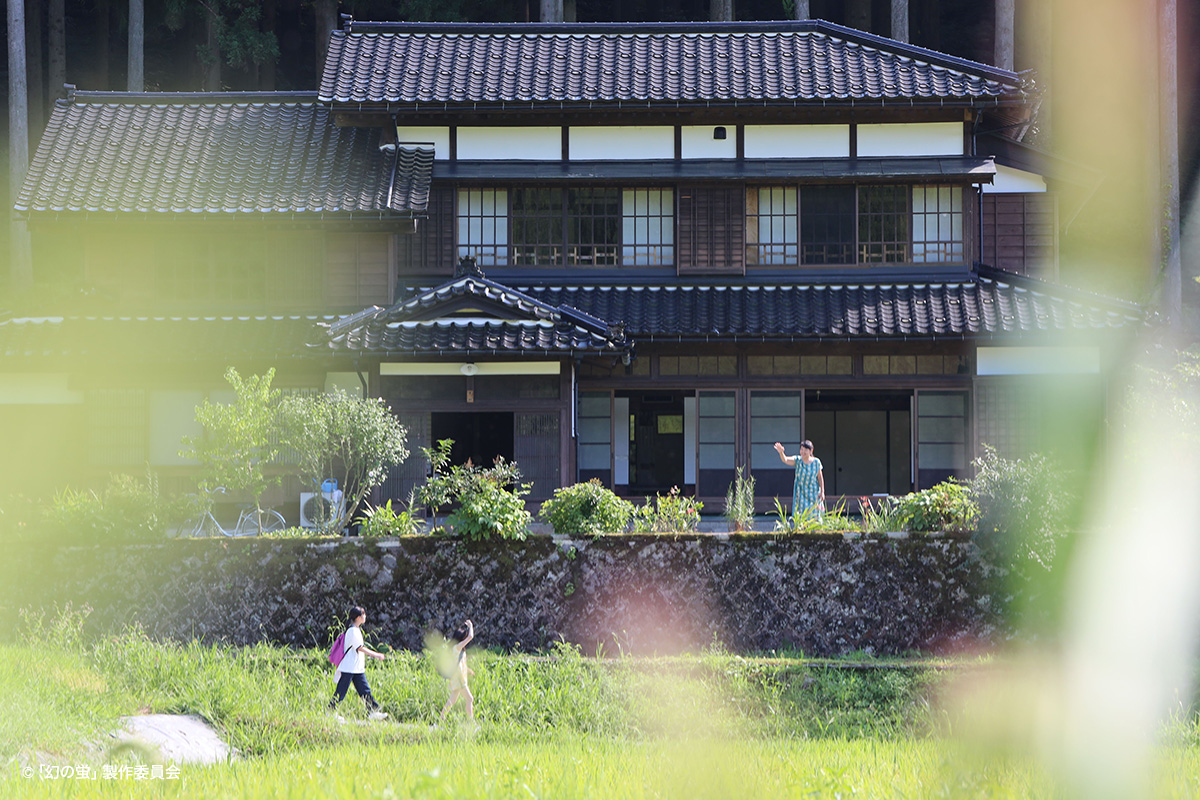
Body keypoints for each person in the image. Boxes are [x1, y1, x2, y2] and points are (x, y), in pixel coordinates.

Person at [329, 606, 389, 720]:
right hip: (349, 667)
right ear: (358, 617)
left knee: (365, 690)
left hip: (355, 668)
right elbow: (360, 648)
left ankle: (372, 712)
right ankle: (331, 712)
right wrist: (376, 654)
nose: (365, 616)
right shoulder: (352, 631)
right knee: (341, 691)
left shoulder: (355, 630)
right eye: (363, 614)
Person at [773, 439, 825, 519]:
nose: (803, 452)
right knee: (802, 517)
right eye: (801, 449)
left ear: (811, 451)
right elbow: (785, 459)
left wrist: (822, 492)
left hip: (814, 493)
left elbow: (820, 478)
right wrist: (781, 452)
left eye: (806, 450)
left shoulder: (816, 462)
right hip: (801, 494)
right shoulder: (798, 460)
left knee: (815, 517)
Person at [438, 619, 475, 726]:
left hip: (458, 678)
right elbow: (471, 637)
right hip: (459, 679)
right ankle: (470, 723)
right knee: (469, 698)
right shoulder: (457, 647)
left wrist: (468, 670)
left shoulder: (458, 649)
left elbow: (459, 664)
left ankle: (441, 720)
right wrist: (470, 626)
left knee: (452, 701)